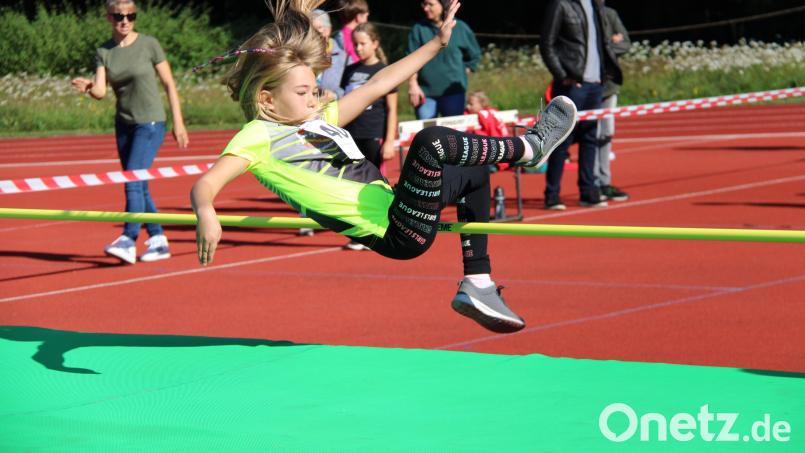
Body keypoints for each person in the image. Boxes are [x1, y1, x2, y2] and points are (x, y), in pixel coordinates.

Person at [190, 0, 578, 334]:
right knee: (430, 143)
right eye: (303, 93)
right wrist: (206, 212)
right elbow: (206, 184)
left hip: (400, 211)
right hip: (393, 231)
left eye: (313, 90)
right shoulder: (259, 135)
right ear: (268, 100)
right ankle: (530, 147)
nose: (313, 99)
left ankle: (478, 283)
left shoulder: (320, 119)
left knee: (473, 172)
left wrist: (435, 45)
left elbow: (378, 84)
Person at [72, 0, 189, 264]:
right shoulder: (104, 51)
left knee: (132, 180)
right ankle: (158, 239)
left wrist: (178, 122)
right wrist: (89, 87)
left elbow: (169, 84)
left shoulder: (149, 44)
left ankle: (128, 238)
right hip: (124, 124)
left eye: (130, 15)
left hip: (150, 123)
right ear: (108, 18)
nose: (124, 21)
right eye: (118, 16)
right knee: (139, 184)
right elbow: (102, 91)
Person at [540, 0, 621, 210]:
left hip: (596, 84)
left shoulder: (596, 6)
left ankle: (588, 190)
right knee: (561, 139)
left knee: (590, 138)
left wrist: (605, 72)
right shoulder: (561, 5)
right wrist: (562, 75)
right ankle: (552, 194)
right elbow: (547, 44)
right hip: (572, 84)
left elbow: (602, 43)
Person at [339, 22, 398, 251]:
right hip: (351, 134)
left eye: (363, 44)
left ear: (375, 43)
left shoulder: (384, 72)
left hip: (373, 133)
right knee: (353, 183)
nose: (359, 48)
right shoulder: (350, 70)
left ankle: (379, 227)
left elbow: (392, 109)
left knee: (373, 184)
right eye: (355, 44)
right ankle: (360, 230)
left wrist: (390, 140)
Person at [407, 0, 481, 120]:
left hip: (453, 93)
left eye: (430, 4)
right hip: (426, 92)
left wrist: (464, 70)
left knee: (453, 134)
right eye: (424, 4)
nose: (426, 8)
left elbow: (475, 54)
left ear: (443, 5)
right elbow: (410, 60)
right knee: (428, 134)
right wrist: (413, 84)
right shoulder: (418, 29)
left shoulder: (460, 27)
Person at [596, 3, 631, 202]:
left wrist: (606, 44)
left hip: (608, 86)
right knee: (589, 136)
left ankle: (604, 181)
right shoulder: (580, 14)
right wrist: (609, 43)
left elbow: (625, 42)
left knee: (606, 133)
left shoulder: (610, 14)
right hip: (586, 87)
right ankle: (590, 183)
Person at [311, 9, 346, 102]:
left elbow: (351, 88)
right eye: (310, 30)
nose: (313, 34)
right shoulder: (302, 55)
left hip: (334, 110)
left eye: (318, 29)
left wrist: (335, 96)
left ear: (328, 30)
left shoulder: (343, 58)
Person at [334, 0, 370, 66]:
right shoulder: (353, 39)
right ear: (358, 17)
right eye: (366, 16)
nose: (367, 20)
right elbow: (357, 64)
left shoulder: (339, 36)